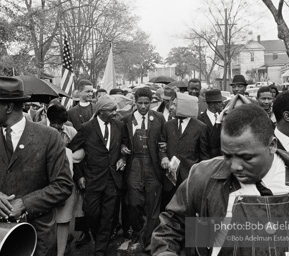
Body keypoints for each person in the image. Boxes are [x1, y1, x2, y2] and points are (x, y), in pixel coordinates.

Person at [151, 104, 289, 256]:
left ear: (272, 145)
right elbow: (169, 228)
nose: (235, 166)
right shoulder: (203, 177)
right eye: (227, 155)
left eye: (247, 157)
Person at [0, 76, 74, 256]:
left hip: (36, 239)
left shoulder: (49, 137)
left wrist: (24, 204)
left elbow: (63, 185)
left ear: (8, 107)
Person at [68, 94, 127, 256]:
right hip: (92, 179)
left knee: (108, 216)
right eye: (111, 110)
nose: (115, 113)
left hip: (113, 179)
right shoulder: (87, 128)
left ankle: (100, 250)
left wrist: (122, 157)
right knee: (91, 213)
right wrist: (79, 176)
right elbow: (70, 151)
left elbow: (125, 143)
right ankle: (99, 238)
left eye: (115, 109)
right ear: (101, 111)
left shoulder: (120, 125)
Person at [121, 87, 166, 253]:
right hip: (135, 164)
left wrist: (163, 152)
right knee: (133, 203)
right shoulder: (126, 119)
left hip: (153, 165)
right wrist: (123, 147)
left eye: (147, 103)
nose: (143, 107)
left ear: (151, 103)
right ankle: (140, 231)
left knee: (154, 205)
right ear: (135, 102)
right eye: (140, 103)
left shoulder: (159, 118)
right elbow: (123, 141)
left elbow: (163, 140)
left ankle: (148, 241)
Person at [45, 104, 85, 256]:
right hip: (45, 181)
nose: (58, 127)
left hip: (66, 180)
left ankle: (60, 253)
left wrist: (67, 154)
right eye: (55, 124)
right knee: (47, 219)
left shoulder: (70, 131)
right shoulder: (39, 129)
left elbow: (81, 151)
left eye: (61, 124)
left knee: (64, 218)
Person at [160, 92, 209, 210]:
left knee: (189, 212)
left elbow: (204, 157)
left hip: (189, 179)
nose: (171, 107)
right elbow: (161, 147)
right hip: (170, 180)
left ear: (185, 107)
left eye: (175, 105)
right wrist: (163, 157)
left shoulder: (200, 127)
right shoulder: (168, 125)